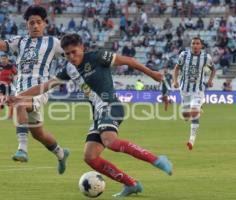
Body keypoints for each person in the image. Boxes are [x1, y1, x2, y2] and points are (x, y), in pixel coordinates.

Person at [9, 34, 173, 197]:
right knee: (90, 157)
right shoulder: (68, 69)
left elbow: (129, 61)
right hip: (98, 113)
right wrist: (18, 97)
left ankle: (157, 160)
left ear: (82, 47)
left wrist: (152, 74)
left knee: (111, 142)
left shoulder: (98, 57)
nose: (71, 57)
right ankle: (131, 184)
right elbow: (44, 86)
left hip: (111, 106)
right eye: (67, 54)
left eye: (74, 52)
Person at [0, 6, 69, 174]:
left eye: (38, 22)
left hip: (40, 90)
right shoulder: (19, 41)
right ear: (26, 25)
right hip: (21, 88)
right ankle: (61, 154)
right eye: (31, 23)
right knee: (39, 134)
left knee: (19, 101)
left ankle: (22, 149)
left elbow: (74, 56)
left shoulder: (53, 43)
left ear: (44, 24)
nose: (35, 26)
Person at [173, 37, 216, 150]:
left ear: (201, 46)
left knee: (194, 112)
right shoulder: (184, 55)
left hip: (198, 90)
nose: (195, 45)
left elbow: (213, 69)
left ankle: (191, 140)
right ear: (191, 45)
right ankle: (198, 109)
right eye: (193, 43)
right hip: (185, 90)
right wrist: (175, 80)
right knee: (186, 116)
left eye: (197, 43)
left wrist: (210, 80)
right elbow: (177, 68)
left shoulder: (206, 57)